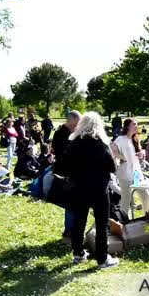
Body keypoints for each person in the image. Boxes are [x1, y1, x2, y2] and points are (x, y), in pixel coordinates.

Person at [61, 112, 119, 269]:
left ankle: (78, 253)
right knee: (101, 224)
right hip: (98, 188)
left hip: (78, 187)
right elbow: (112, 166)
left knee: (79, 221)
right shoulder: (100, 143)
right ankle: (102, 258)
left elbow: (64, 167)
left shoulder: (74, 143)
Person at [111, 118, 149, 215]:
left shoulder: (135, 139)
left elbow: (139, 152)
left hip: (136, 174)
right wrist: (122, 157)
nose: (136, 126)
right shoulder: (121, 139)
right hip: (125, 174)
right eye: (134, 124)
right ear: (127, 126)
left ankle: (148, 216)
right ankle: (124, 221)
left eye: (136, 124)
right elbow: (112, 150)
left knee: (145, 193)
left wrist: (141, 154)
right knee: (126, 199)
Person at [51, 110, 81, 238]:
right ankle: (69, 230)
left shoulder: (75, 133)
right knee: (70, 203)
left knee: (76, 202)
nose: (79, 124)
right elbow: (61, 153)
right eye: (77, 121)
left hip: (75, 172)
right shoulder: (60, 134)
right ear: (71, 120)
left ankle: (74, 229)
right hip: (65, 173)